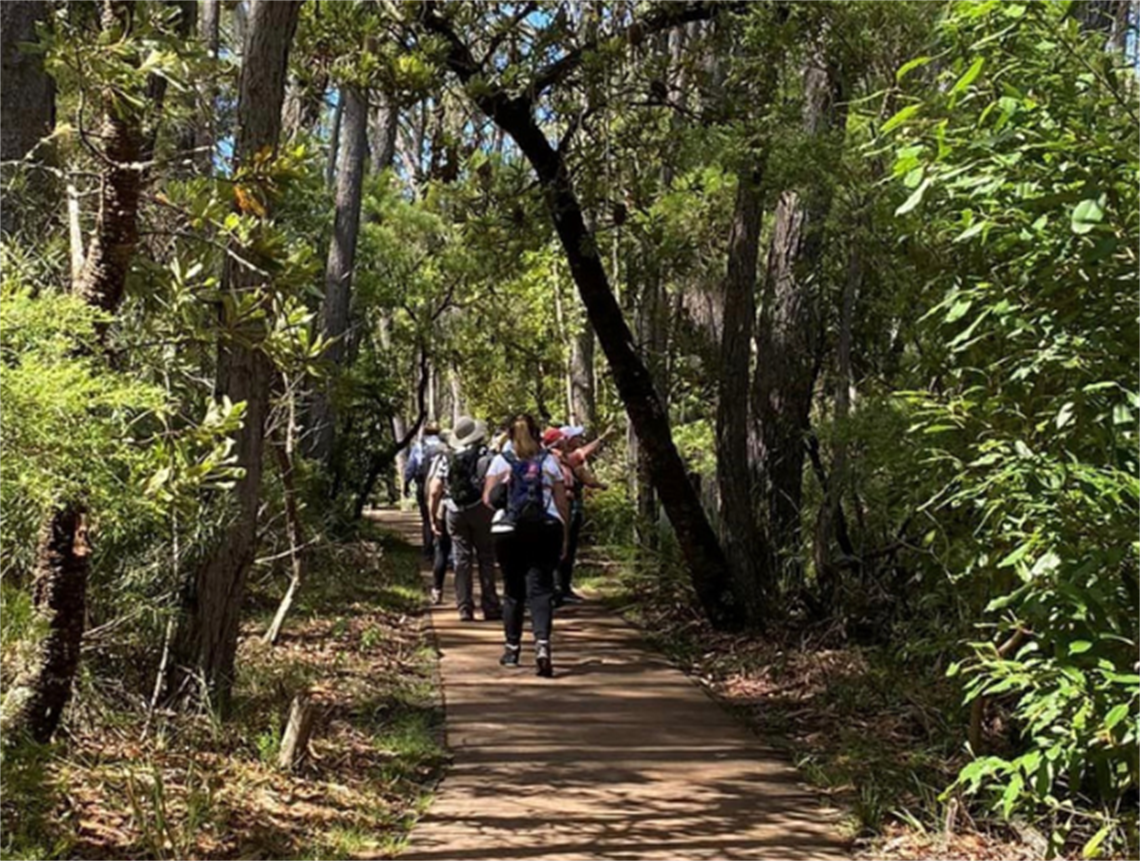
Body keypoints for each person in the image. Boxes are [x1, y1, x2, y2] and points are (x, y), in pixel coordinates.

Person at [483, 414, 568, 678]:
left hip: (508, 531)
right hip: (545, 529)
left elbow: (488, 499)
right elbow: (561, 502)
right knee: (541, 590)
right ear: (537, 434)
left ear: (509, 435)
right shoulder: (550, 462)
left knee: (513, 590)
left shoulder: (500, 461)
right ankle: (542, 646)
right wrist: (563, 536)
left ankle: (512, 650)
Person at [428, 416, 501, 622]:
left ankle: (464, 608)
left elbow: (434, 490)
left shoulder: (445, 457)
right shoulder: (487, 456)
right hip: (481, 509)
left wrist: (434, 518)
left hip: (454, 510)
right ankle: (490, 606)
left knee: (461, 559)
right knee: (486, 557)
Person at [557, 425, 612, 603]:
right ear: (566, 440)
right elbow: (585, 455)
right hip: (569, 509)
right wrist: (602, 485)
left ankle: (558, 588)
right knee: (568, 547)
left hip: (558, 509)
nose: (580, 439)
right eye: (576, 436)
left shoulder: (555, 457)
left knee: (561, 548)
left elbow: (585, 450)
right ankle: (562, 588)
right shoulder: (567, 459)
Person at [404, 422, 444, 559]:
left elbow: (411, 467)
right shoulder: (445, 447)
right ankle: (443, 551)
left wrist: (406, 483)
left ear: (425, 432)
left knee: (427, 518)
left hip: (423, 485)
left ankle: (428, 550)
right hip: (442, 486)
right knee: (442, 517)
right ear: (438, 432)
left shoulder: (419, 446)